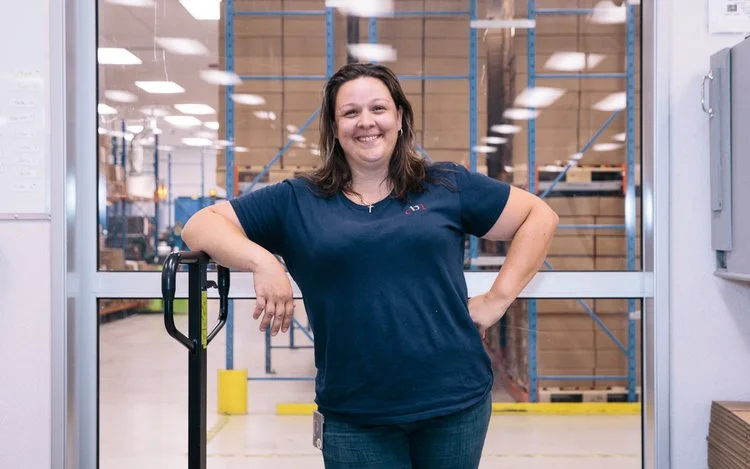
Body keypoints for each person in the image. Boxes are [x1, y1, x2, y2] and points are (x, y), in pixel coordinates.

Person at [182, 62, 559, 468]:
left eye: (378, 109)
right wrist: (262, 260)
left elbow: (539, 217)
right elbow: (200, 225)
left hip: (455, 401)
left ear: (399, 117)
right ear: (334, 126)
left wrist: (497, 299)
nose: (366, 122)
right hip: (355, 414)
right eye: (350, 112)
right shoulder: (298, 200)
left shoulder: (445, 184)